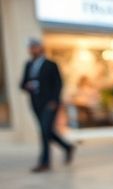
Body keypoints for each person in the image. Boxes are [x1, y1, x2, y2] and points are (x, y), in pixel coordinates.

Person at [19, 38, 75, 172]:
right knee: (46, 131)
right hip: (35, 102)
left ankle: (44, 162)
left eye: (35, 47)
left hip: (50, 103)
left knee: (45, 130)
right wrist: (28, 86)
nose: (32, 50)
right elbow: (22, 84)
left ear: (41, 48)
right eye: (30, 47)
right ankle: (67, 147)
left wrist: (55, 101)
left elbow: (58, 83)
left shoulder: (50, 64)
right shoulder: (28, 65)